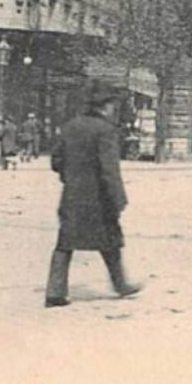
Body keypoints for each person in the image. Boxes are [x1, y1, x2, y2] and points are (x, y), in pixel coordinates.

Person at [44, 83, 142, 308]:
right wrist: (118, 197)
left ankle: (55, 292)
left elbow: (56, 160)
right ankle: (121, 284)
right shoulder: (105, 130)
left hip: (72, 195)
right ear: (105, 107)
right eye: (112, 105)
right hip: (99, 198)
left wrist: (70, 177)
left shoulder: (70, 127)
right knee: (110, 240)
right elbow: (109, 169)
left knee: (65, 243)